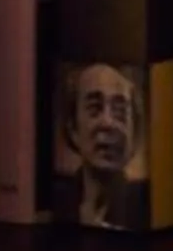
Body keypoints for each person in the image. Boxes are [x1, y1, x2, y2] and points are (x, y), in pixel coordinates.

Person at [54, 61, 138, 227]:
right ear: (73, 129)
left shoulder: (145, 207)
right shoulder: (55, 207)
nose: (108, 123)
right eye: (94, 108)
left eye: (120, 111)